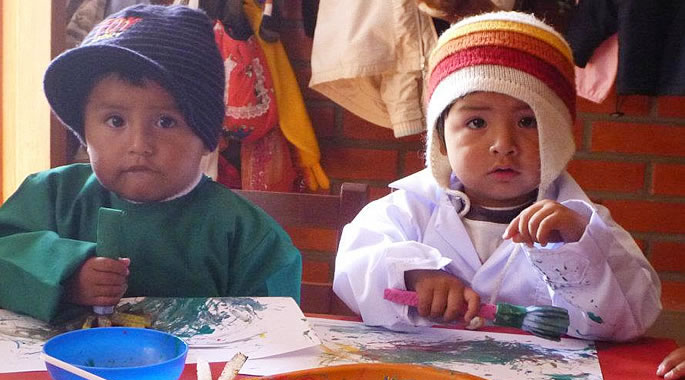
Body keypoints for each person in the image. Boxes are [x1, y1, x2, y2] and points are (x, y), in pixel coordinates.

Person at [333, 11, 661, 341]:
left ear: (558, 139)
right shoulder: (404, 211)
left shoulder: (583, 225)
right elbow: (352, 274)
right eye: (476, 123)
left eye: (527, 122)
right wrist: (411, 274)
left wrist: (580, 247)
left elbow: (632, 318)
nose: (503, 145)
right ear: (442, 141)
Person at [0, 4, 301, 324]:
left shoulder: (249, 238)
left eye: (165, 122)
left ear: (209, 135)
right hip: (58, 374)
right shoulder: (51, 197)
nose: (139, 145)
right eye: (115, 120)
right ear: (84, 131)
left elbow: (273, 339)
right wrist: (66, 275)